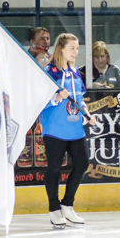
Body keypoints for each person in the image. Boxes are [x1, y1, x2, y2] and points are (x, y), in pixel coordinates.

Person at [41, 33, 96, 227]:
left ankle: (67, 204)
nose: (76, 52)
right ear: (61, 48)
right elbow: (40, 100)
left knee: (82, 163)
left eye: (77, 48)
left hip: (75, 128)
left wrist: (87, 114)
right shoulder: (50, 72)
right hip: (55, 128)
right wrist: (56, 98)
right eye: (72, 48)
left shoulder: (75, 72)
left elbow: (79, 99)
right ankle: (54, 208)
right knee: (54, 167)